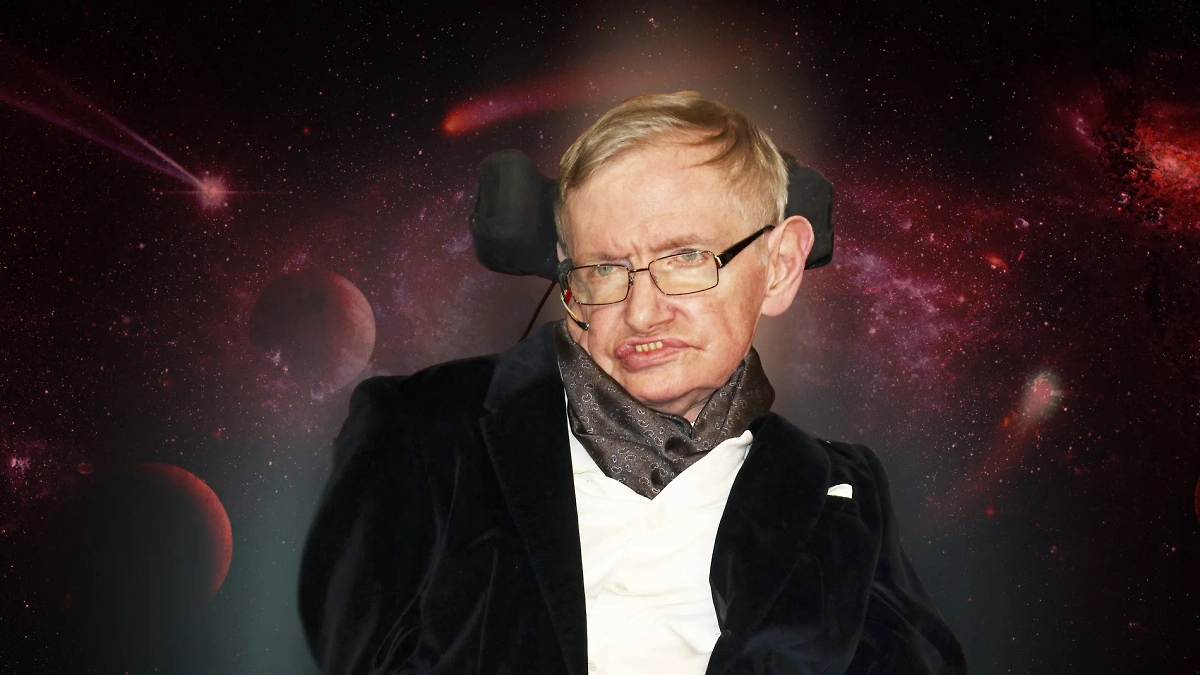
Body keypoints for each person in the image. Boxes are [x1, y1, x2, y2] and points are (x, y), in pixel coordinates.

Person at [299, 91, 968, 675]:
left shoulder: (842, 489)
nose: (642, 313)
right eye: (603, 269)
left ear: (781, 265)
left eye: (686, 257)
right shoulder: (421, 428)